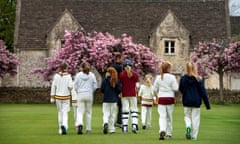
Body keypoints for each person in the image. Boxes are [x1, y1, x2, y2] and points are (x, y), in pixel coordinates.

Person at [179, 62, 211, 140]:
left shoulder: (183, 78)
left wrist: (186, 93)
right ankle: (194, 136)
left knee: (187, 117)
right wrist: (207, 105)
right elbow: (203, 92)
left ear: (187, 68)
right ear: (194, 68)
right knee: (196, 119)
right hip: (196, 102)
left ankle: (188, 126)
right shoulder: (199, 79)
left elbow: (180, 89)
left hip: (187, 101)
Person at [153, 61, 178, 140]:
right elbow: (176, 88)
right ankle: (169, 133)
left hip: (161, 98)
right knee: (169, 117)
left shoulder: (158, 77)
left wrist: (157, 95)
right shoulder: (172, 77)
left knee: (162, 116)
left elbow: (154, 89)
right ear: (168, 68)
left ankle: (162, 129)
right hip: (170, 98)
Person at [74, 62, 97, 135]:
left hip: (80, 94)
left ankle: (80, 124)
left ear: (82, 68)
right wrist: (91, 91)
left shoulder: (78, 75)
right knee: (88, 112)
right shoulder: (92, 75)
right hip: (89, 94)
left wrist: (78, 91)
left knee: (80, 111)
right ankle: (88, 129)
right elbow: (95, 86)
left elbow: (75, 86)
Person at [50, 62, 73, 135]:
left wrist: (52, 97)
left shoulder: (56, 76)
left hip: (58, 97)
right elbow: (71, 87)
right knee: (65, 113)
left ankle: (60, 129)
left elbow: (53, 87)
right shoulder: (68, 76)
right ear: (66, 68)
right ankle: (64, 126)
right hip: (66, 97)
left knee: (60, 112)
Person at [119, 59, 139, 134]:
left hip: (124, 94)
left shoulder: (121, 74)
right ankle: (134, 125)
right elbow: (137, 86)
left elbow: (120, 85)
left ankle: (125, 127)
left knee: (125, 110)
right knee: (134, 110)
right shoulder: (135, 74)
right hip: (133, 94)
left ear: (123, 67)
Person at [100, 67, 122, 134]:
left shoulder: (105, 80)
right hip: (114, 100)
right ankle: (112, 129)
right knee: (112, 115)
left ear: (109, 73)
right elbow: (119, 90)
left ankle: (105, 123)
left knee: (106, 113)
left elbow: (102, 89)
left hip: (106, 99)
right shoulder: (116, 81)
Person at [111, 54, 124, 128]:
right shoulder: (119, 67)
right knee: (120, 105)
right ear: (118, 58)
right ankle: (119, 121)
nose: (123, 60)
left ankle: (110, 121)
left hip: (112, 88)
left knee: (112, 106)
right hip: (118, 88)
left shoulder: (112, 66)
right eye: (122, 59)